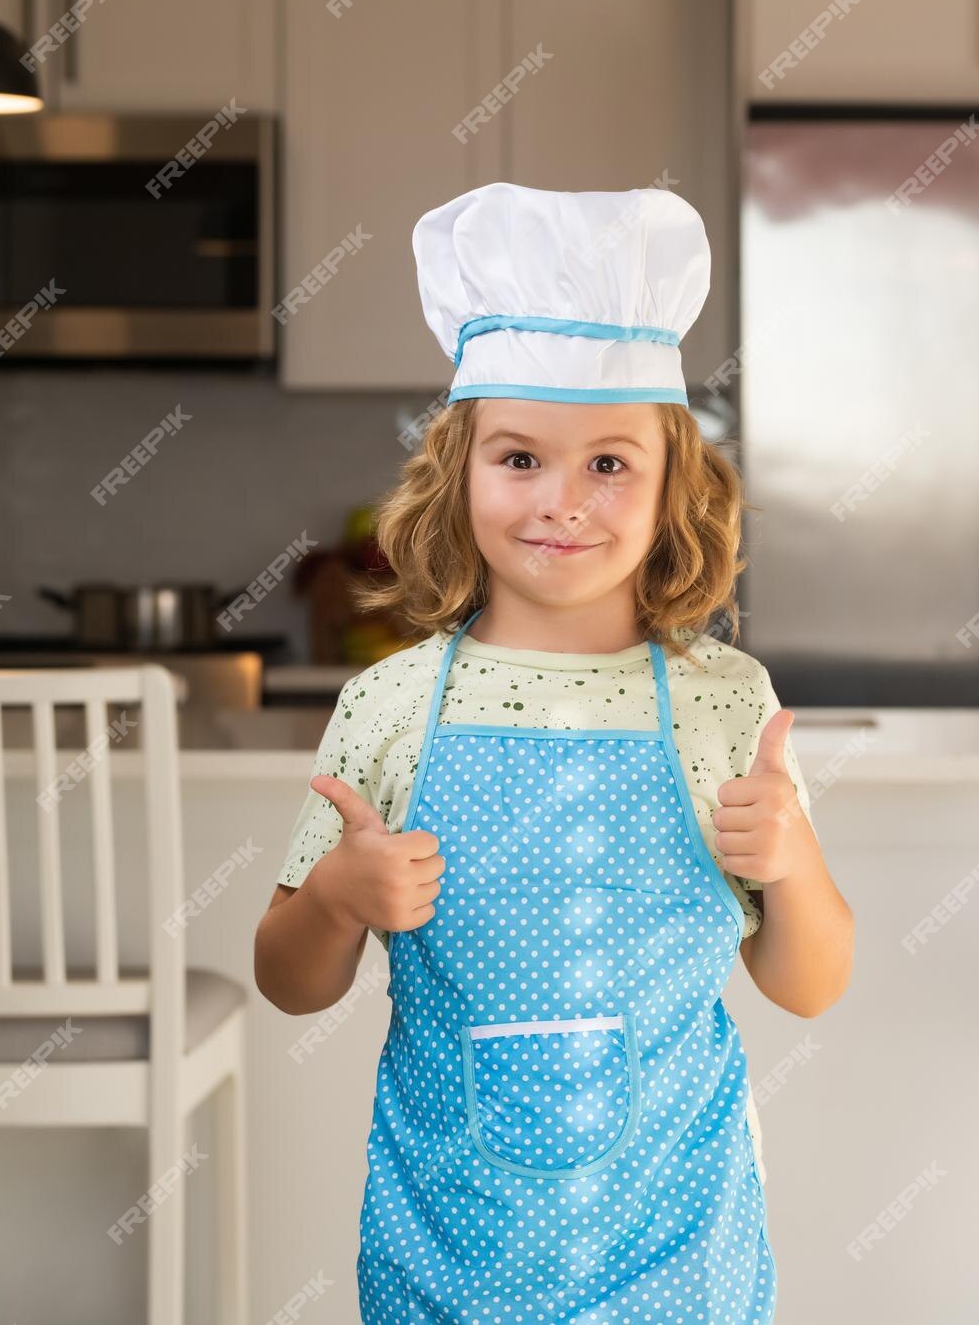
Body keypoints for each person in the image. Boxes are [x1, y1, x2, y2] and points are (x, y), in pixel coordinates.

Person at [253, 181, 855, 1323]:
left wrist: (792, 865)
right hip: (450, 1241)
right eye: (519, 459)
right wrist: (334, 893)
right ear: (458, 474)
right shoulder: (387, 704)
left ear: (673, 479)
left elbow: (809, 983)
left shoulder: (728, 705)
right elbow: (289, 981)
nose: (560, 502)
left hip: (677, 1238)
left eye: (609, 464)